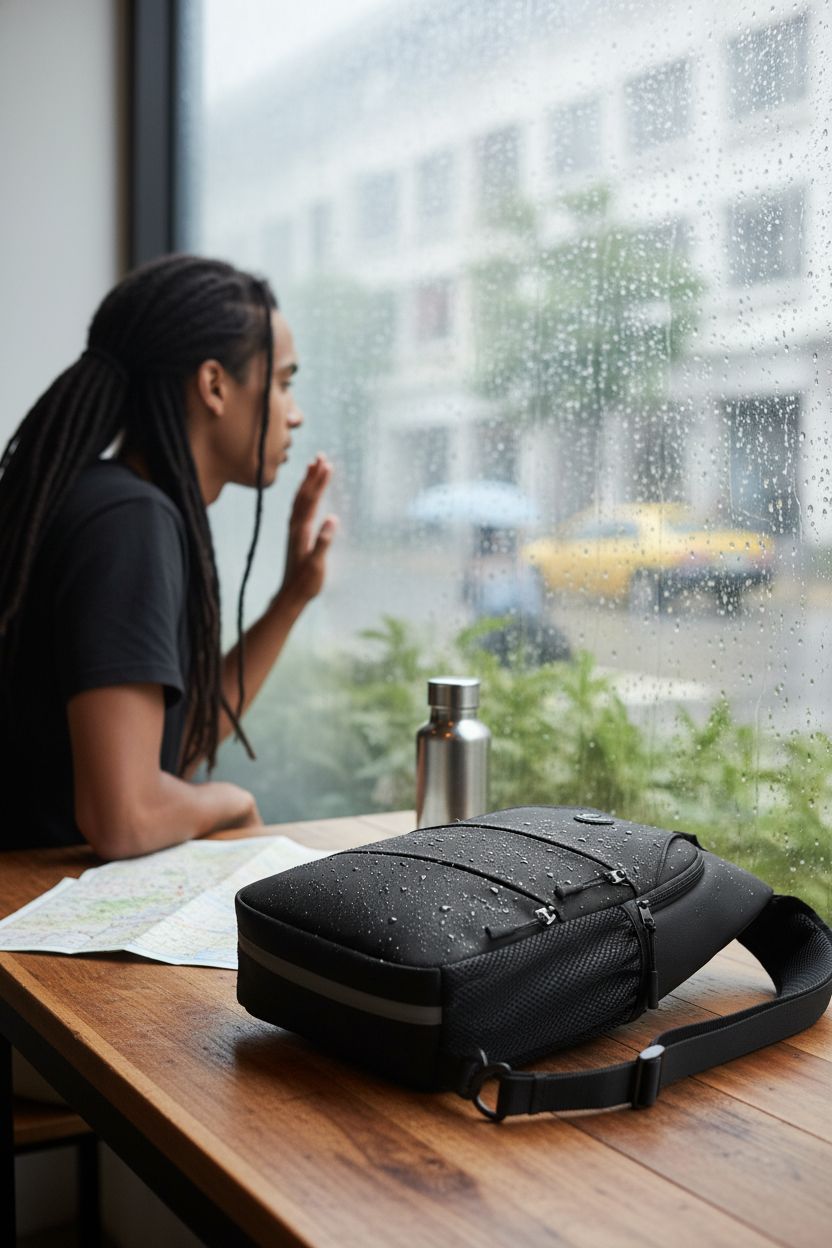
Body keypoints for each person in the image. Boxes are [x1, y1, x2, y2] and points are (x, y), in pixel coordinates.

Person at [0, 254, 336, 859]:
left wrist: (291, 599)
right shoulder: (130, 520)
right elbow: (125, 816)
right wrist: (229, 800)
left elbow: (168, 750)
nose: (295, 412)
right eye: (284, 381)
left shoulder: (107, 502)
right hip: (27, 928)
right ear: (213, 386)